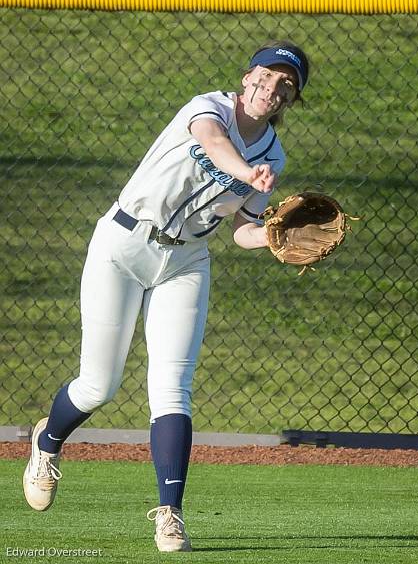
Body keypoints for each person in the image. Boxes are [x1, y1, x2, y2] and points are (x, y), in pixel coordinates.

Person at [22, 39, 309, 552]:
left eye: (286, 83)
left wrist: (270, 237)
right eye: (267, 75)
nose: (273, 86)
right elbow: (214, 143)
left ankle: (170, 515)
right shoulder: (208, 107)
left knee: (173, 387)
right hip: (122, 244)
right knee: (98, 385)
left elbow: (240, 229)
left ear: (290, 100)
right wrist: (245, 175)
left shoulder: (274, 155)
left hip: (186, 260)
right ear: (247, 78)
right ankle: (47, 442)